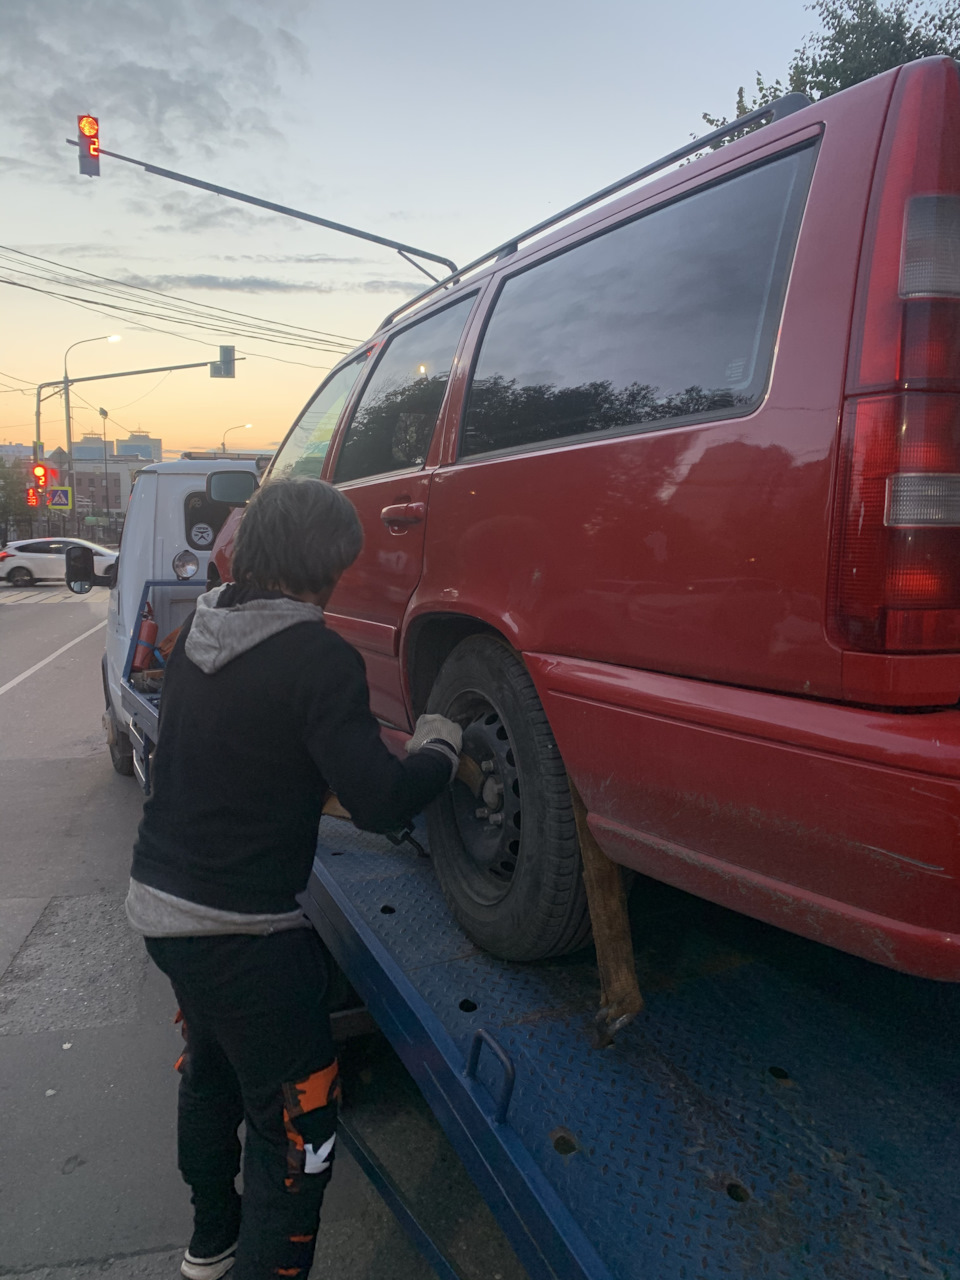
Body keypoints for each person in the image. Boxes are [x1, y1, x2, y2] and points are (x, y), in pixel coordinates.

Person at [125, 476, 462, 1280]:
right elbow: (380, 802)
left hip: (163, 909)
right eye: (341, 565)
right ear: (324, 565)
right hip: (246, 937)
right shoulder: (318, 656)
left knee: (211, 1072)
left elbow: (238, 758)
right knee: (299, 1128)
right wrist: (438, 754)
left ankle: (212, 1242)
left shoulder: (199, 633)